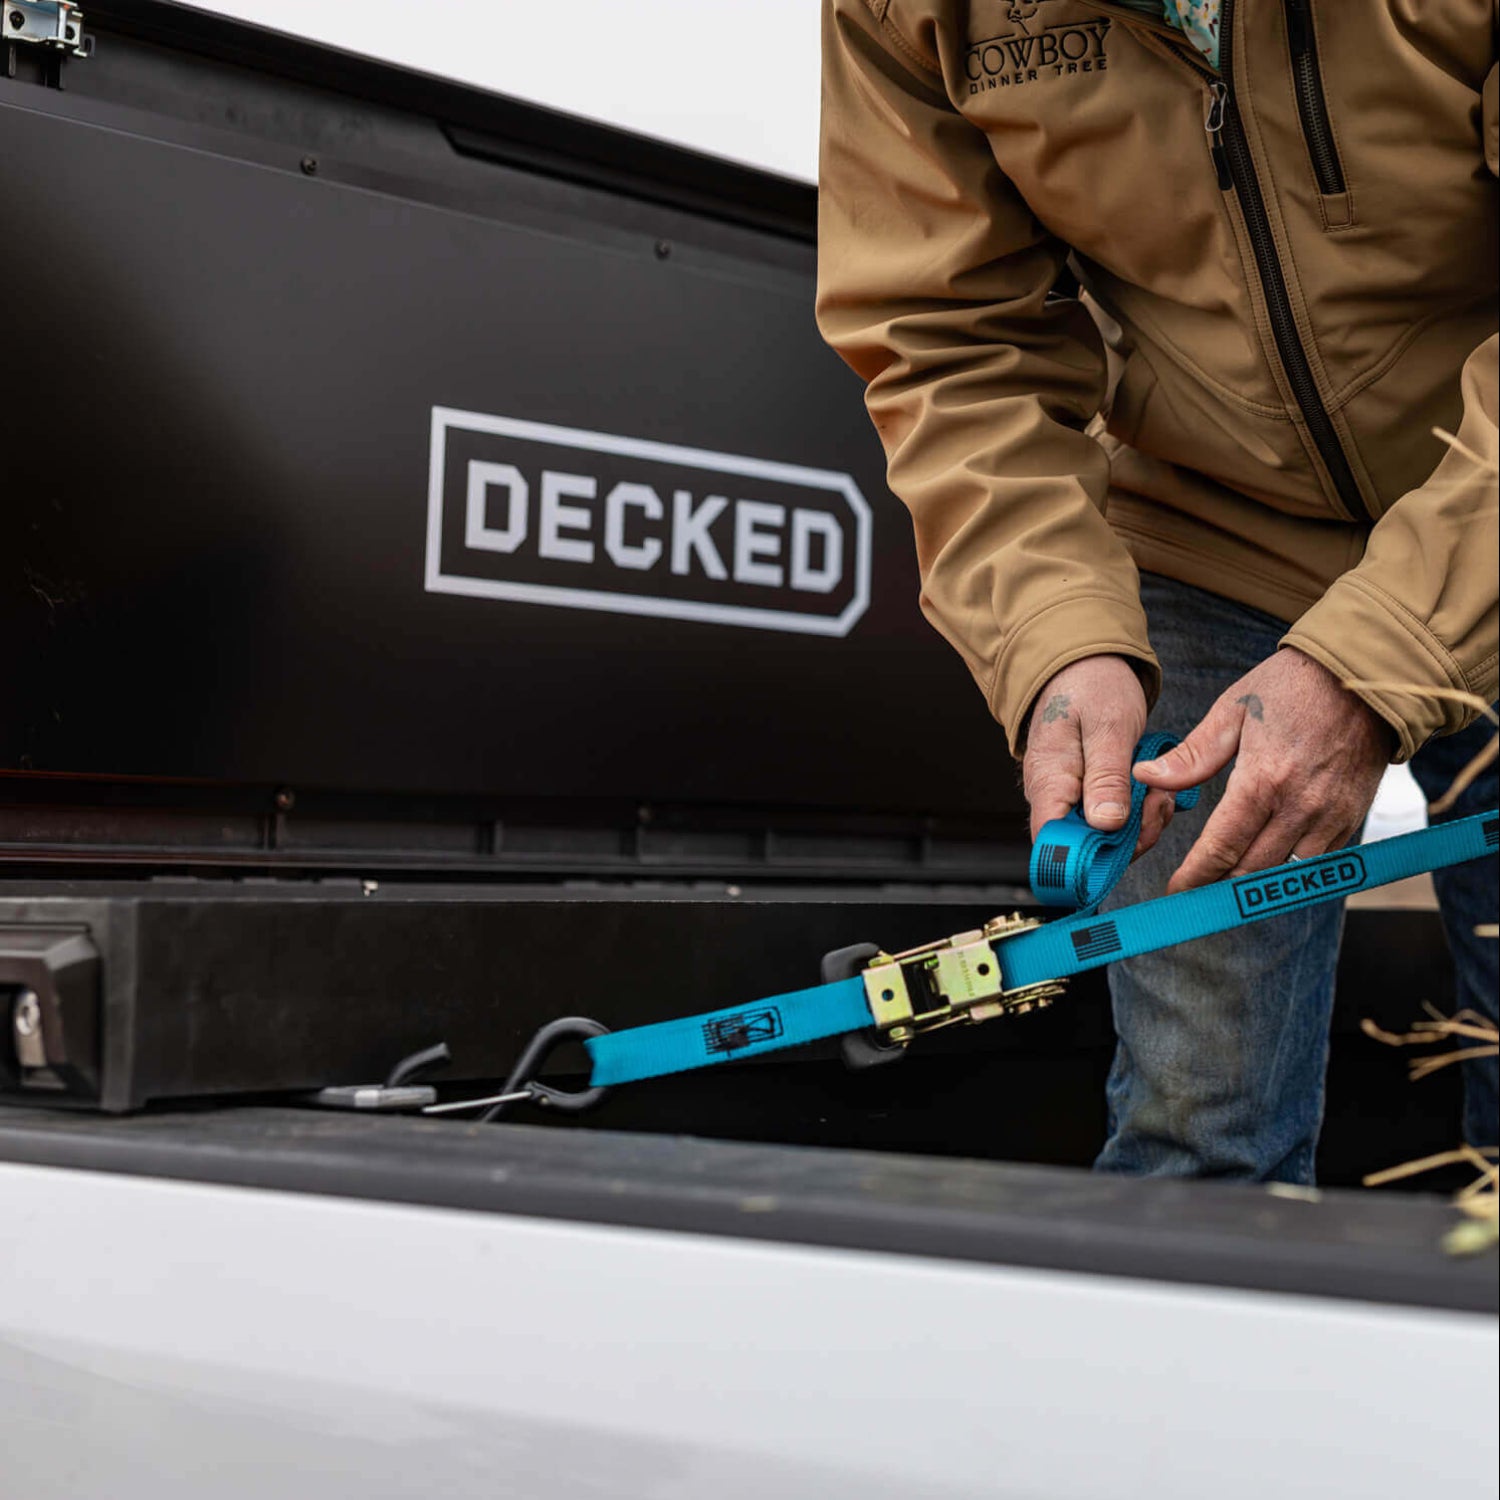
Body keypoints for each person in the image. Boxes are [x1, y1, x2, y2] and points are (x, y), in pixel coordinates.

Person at [816, 0, 1498, 1179]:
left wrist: (1381, 649)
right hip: (1212, 532)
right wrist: (1060, 639)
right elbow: (945, 337)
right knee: (1196, 1118)